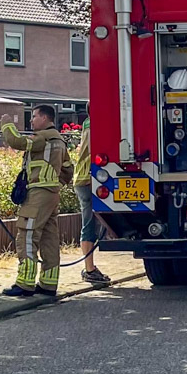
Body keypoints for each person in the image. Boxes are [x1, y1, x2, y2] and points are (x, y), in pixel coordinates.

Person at [0, 104, 75, 298]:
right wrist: (55, 184)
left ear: (44, 118)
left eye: (34, 116)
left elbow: (16, 141)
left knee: (27, 235)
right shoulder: (59, 140)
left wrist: (6, 123)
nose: (31, 121)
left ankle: (25, 283)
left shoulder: (42, 138)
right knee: (49, 239)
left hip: (37, 193)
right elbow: (68, 169)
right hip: (51, 194)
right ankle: (48, 284)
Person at [72, 120, 111, 285]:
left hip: (85, 178)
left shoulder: (88, 123)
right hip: (88, 178)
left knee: (90, 224)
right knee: (89, 225)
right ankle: (89, 269)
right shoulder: (92, 122)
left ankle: (90, 268)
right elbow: (92, 148)